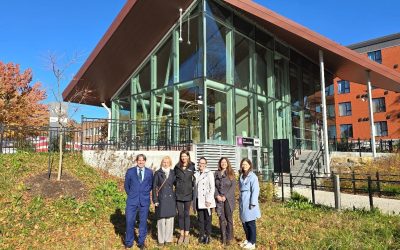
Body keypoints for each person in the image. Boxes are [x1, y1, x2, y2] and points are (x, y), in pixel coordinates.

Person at [124, 154, 153, 249]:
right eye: (139, 160)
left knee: (143, 222)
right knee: (129, 221)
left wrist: (144, 193)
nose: (141, 162)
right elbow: (126, 186)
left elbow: (151, 185)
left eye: (142, 160)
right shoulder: (130, 171)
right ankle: (128, 242)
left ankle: (141, 242)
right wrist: (132, 194)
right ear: (136, 161)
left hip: (144, 201)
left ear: (145, 161)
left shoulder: (149, 172)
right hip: (132, 201)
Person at [152, 156, 176, 246]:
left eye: (167, 162)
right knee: (161, 220)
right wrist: (155, 200)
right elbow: (154, 187)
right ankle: (161, 240)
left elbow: (177, 184)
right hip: (161, 198)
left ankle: (168, 239)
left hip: (171, 199)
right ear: (162, 163)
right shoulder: (158, 173)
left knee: (170, 219)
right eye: (164, 162)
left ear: (170, 163)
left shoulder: (173, 172)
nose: (165, 164)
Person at [239, 158, 261, 250]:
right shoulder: (241, 176)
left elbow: (255, 190)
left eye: (246, 164)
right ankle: (248, 239)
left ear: (249, 165)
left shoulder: (253, 177)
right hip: (242, 200)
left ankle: (252, 242)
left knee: (251, 223)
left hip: (249, 200)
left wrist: (253, 202)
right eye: (243, 164)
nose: (244, 166)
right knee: (244, 222)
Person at [174, 150, 195, 244]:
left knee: (186, 214)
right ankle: (181, 234)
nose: (183, 158)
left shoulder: (192, 166)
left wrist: (191, 186)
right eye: (182, 156)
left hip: (188, 194)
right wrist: (178, 185)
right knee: (180, 214)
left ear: (188, 157)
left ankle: (187, 234)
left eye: (185, 156)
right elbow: (174, 179)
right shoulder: (177, 167)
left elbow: (195, 179)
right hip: (178, 194)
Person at [193, 157, 216, 244]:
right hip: (199, 199)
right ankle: (201, 235)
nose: (201, 164)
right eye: (200, 163)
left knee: (208, 219)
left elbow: (212, 187)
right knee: (200, 219)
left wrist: (209, 200)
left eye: (203, 163)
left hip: (207, 200)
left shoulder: (209, 173)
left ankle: (208, 235)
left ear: (206, 164)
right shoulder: (196, 174)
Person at [214, 157, 236, 245]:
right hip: (219, 199)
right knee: (221, 218)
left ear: (227, 163)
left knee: (229, 218)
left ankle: (229, 237)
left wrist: (225, 196)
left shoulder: (231, 173)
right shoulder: (216, 173)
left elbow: (233, 187)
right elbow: (214, 186)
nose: (223, 163)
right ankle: (223, 237)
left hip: (228, 200)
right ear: (220, 163)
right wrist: (216, 195)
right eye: (222, 162)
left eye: (225, 162)